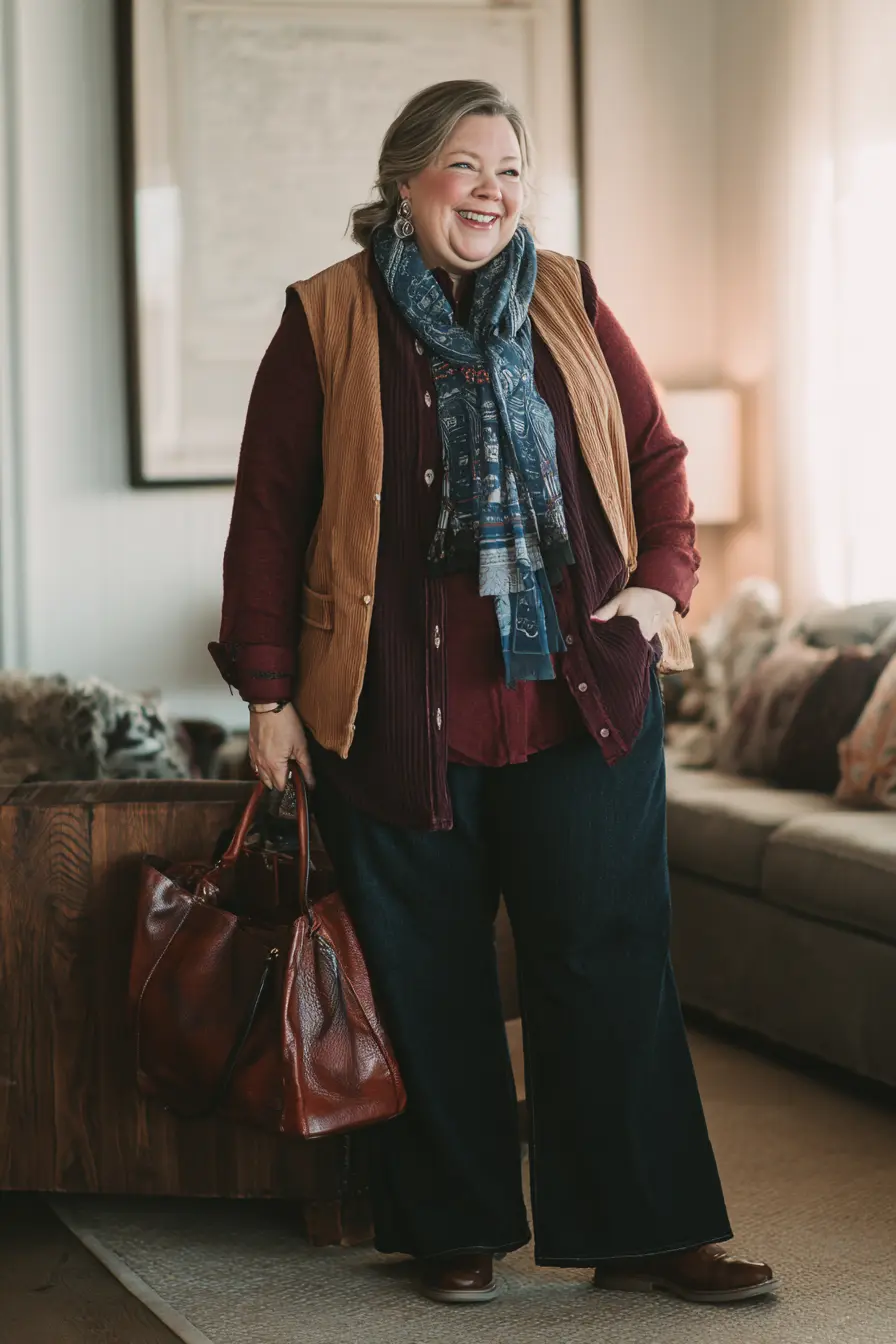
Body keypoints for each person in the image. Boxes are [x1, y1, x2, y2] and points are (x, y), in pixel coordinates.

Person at [211, 79, 776, 1307]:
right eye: (465, 166)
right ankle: (453, 1226)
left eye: (510, 170)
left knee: (607, 960)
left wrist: (660, 590)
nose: (490, 191)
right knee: (426, 971)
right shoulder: (327, 317)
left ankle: (643, 1232)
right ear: (405, 179)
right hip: (394, 706)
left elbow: (655, 457)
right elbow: (269, 518)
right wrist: (267, 695)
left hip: (579, 697)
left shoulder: (566, 295)